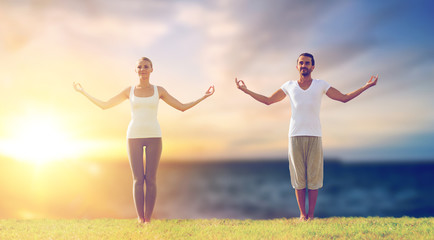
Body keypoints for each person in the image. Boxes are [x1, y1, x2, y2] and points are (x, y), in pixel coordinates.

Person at [235, 53, 378, 221]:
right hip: (295, 136)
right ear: (297, 66)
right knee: (299, 178)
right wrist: (246, 90)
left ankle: (311, 215)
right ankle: (303, 215)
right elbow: (268, 101)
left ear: (313, 66)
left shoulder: (321, 85)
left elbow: (344, 98)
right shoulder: (289, 86)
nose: (304, 66)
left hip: (315, 136)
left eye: (307, 63)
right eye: (301, 63)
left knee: (314, 178)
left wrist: (366, 86)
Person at [73, 57, 215, 224]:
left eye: (146, 66)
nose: (143, 69)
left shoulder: (159, 90)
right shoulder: (129, 91)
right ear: (136, 70)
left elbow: (182, 107)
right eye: (139, 67)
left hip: (154, 135)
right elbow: (105, 105)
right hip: (133, 136)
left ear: (152, 69)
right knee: (138, 180)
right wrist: (83, 92)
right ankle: (141, 219)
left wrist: (203, 97)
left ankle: (148, 219)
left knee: (151, 179)